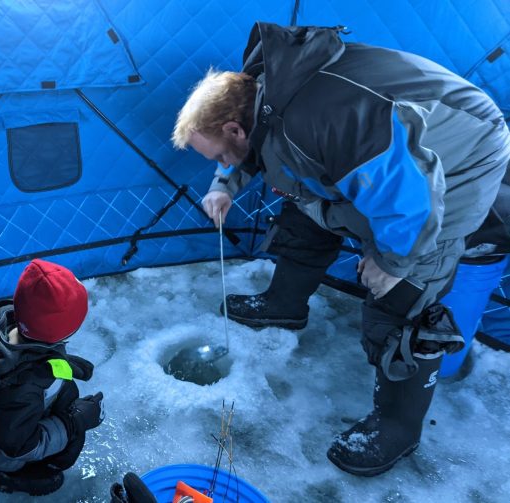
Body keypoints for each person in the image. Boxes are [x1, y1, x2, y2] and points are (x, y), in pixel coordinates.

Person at [172, 22, 510, 476]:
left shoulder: (328, 117)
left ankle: (396, 428)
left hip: (462, 157)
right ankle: (283, 305)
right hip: (394, 161)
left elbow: (413, 198)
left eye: (217, 158)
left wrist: (392, 261)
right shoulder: (263, 95)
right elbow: (254, 147)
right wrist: (225, 183)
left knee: (403, 296)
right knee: (304, 206)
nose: (222, 163)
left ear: (233, 128)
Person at [0, 259, 105, 496]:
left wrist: (62, 364)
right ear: (68, 329)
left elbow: (28, 354)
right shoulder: (22, 386)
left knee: (64, 396)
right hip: (0, 447)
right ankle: (20, 478)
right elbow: (17, 446)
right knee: (69, 444)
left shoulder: (1, 324)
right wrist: (75, 421)